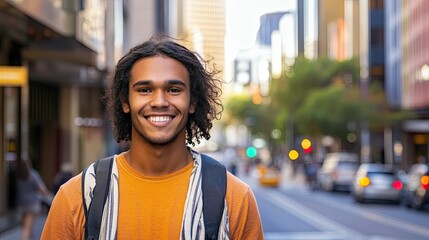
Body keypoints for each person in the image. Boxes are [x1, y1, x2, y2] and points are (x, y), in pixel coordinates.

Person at [41, 34, 264, 239]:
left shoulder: (235, 198)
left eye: (174, 89)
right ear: (125, 102)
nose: (159, 102)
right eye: (145, 90)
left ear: (193, 101)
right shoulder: (77, 197)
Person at [16, 159, 50, 240]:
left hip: (21, 204)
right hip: (32, 204)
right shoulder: (33, 174)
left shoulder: (19, 176)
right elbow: (42, 189)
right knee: (27, 228)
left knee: (25, 226)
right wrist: (47, 195)